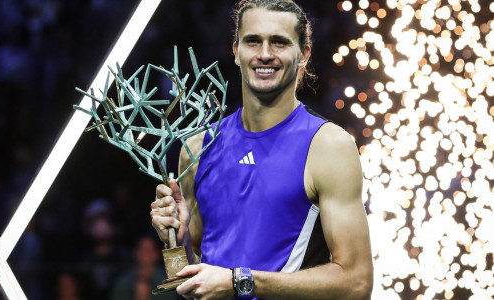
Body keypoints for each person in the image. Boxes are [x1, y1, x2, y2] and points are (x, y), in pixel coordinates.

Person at [150, 0, 374, 299]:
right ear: (236, 51)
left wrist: (238, 281)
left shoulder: (327, 147)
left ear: (304, 54)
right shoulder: (197, 148)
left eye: (279, 43)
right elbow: (186, 284)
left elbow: (357, 283)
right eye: (253, 41)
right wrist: (174, 245)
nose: (265, 54)